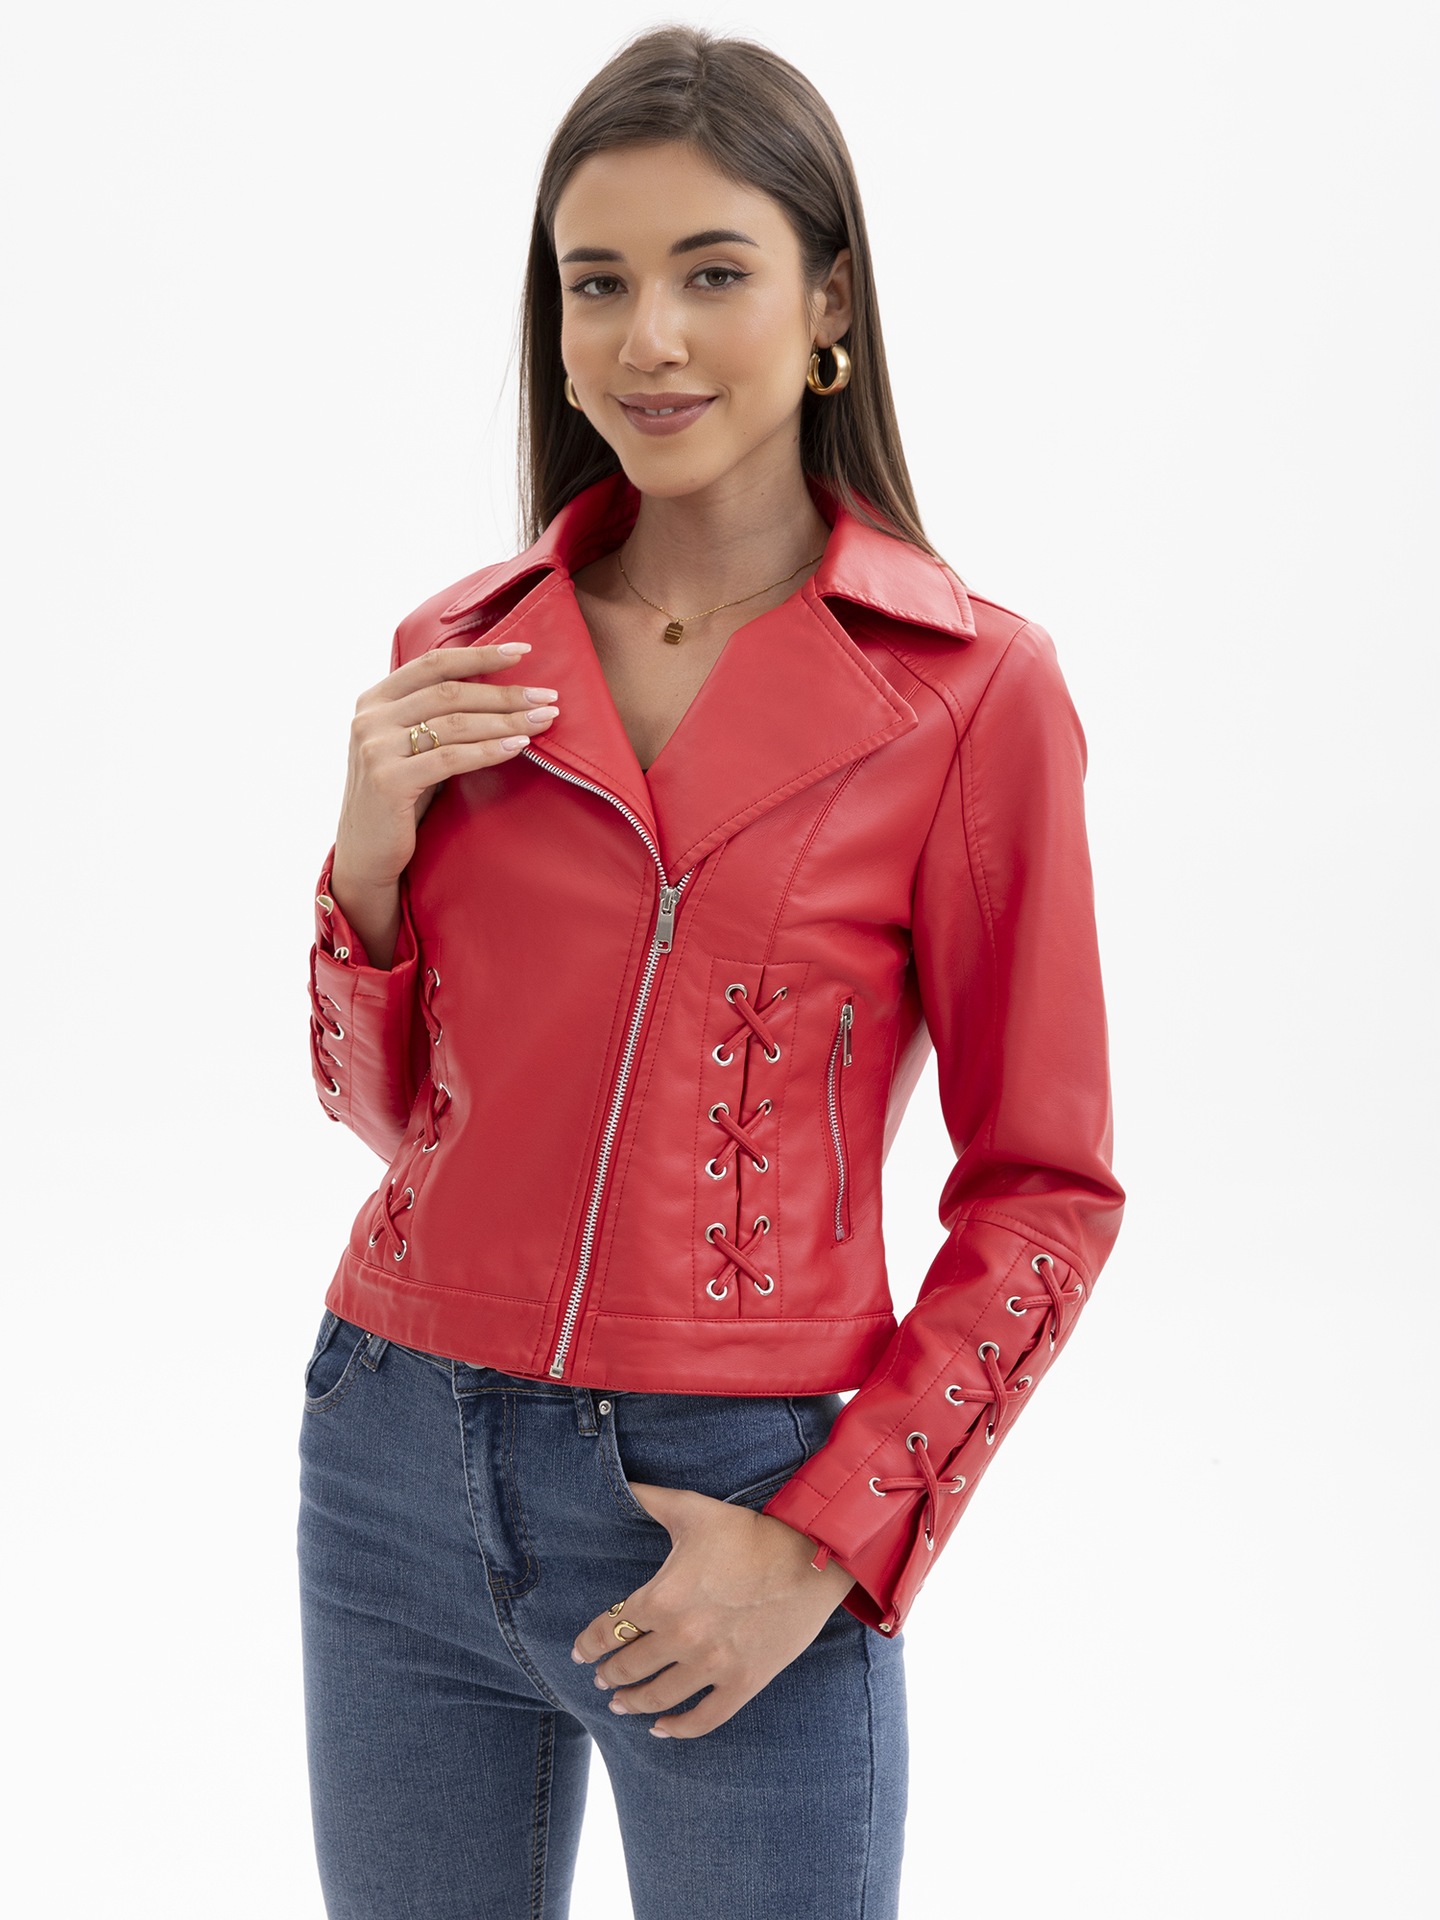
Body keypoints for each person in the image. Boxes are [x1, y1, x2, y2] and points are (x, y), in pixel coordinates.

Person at [297, 25, 1124, 1920]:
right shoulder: (463, 653)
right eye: (596, 283)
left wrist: (830, 1539)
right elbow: (394, 1122)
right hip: (391, 1461)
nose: (647, 338)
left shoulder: (968, 691)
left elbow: (1047, 1191)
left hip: (731, 1508)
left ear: (829, 303)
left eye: (712, 273)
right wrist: (365, 864)